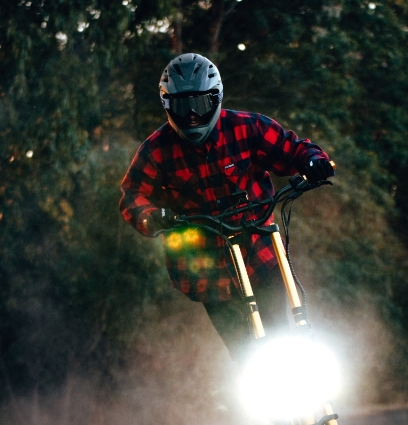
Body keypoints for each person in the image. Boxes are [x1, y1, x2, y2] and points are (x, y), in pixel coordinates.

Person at [119, 53, 334, 363]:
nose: (192, 114)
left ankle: (308, 402)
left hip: (261, 256)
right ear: (167, 106)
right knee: (248, 358)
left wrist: (313, 161)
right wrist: (151, 217)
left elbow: (293, 149)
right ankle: (273, 411)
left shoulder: (249, 128)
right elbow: (132, 194)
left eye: (201, 103)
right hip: (207, 274)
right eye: (182, 105)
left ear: (216, 99)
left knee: (283, 341)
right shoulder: (156, 150)